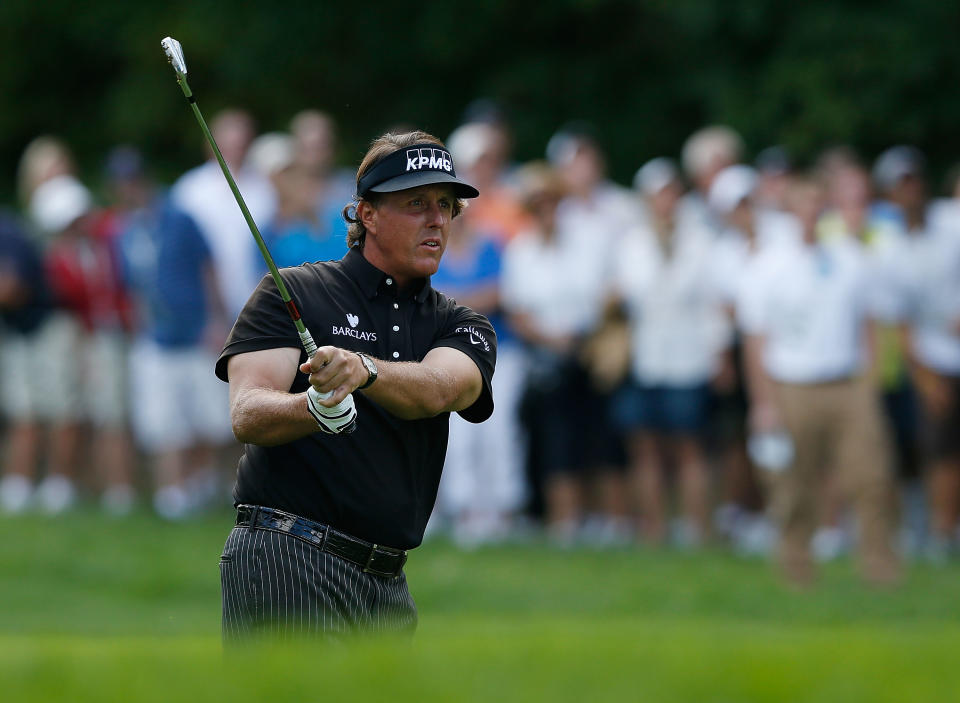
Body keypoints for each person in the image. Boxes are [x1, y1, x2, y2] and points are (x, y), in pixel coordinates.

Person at [216, 130, 496, 640]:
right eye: (416, 203)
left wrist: (363, 370)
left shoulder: (461, 325)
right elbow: (247, 412)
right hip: (287, 555)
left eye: (445, 205)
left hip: (388, 582)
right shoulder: (294, 291)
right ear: (366, 214)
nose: (437, 219)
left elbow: (437, 389)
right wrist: (311, 409)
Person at [738, 174, 901, 586]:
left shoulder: (849, 257)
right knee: (794, 485)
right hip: (791, 383)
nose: (809, 217)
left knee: (871, 477)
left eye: (816, 208)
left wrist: (869, 382)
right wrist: (764, 402)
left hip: (845, 381)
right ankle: (796, 569)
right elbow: (756, 339)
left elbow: (867, 322)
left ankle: (880, 568)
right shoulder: (766, 265)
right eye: (802, 208)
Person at [109, 146, 232, 519]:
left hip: (195, 329)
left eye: (131, 180)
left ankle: (200, 481)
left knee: (210, 418)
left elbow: (208, 267)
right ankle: (171, 493)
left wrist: (216, 319)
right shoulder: (123, 230)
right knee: (164, 421)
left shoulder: (178, 217)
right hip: (155, 336)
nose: (127, 188)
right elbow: (131, 285)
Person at [171, 108, 276, 322]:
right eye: (229, 141)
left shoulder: (265, 187)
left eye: (242, 141)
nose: (236, 148)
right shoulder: (190, 190)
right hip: (204, 308)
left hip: (258, 302)